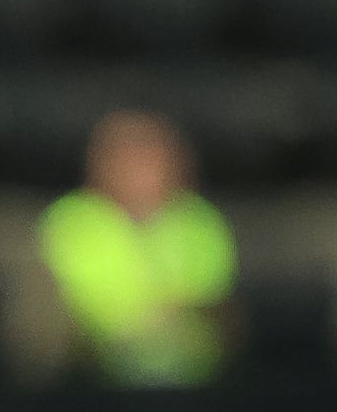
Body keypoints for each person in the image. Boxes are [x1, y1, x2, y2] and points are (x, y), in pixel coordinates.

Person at [41, 108, 234, 384]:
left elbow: (208, 304)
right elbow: (82, 309)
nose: (138, 169)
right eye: (126, 156)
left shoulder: (199, 221)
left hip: (194, 383)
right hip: (96, 380)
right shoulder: (71, 220)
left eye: (149, 156)